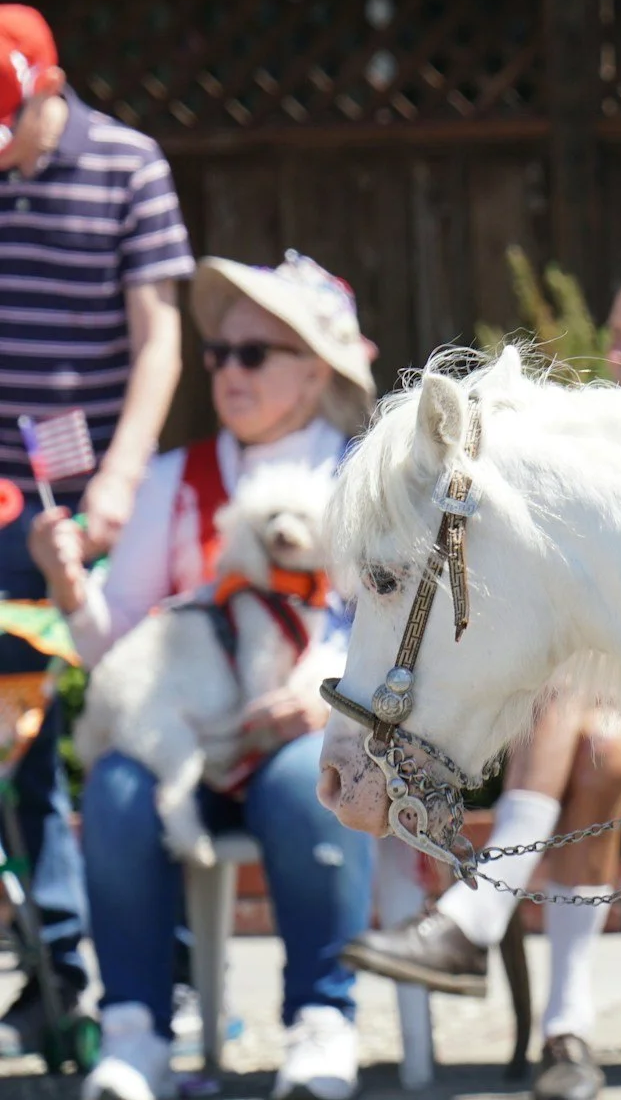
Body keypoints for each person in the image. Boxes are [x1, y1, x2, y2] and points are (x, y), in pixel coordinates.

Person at [344, 248, 621, 1100]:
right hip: (602, 727)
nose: (618, 356)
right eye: (617, 333)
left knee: (581, 705)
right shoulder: (605, 449)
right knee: (595, 736)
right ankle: (569, 1033)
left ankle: (478, 914)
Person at [36, 253, 376, 1100]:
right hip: (182, 735)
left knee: (309, 782)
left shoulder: (367, 478)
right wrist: (71, 587)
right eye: (220, 353)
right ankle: (136, 1034)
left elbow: (403, 631)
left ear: (313, 369)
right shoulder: (169, 479)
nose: (227, 370)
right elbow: (113, 638)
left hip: (312, 734)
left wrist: (325, 689)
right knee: (114, 789)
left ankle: (320, 1025)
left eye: (252, 354)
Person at [0, 3, 192, 1055]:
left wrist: (121, 480)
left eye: (13, 125)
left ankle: (166, 971)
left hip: (102, 496)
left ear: (47, 84)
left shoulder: (127, 165)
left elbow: (159, 337)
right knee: (16, 735)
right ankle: (59, 970)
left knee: (128, 718)